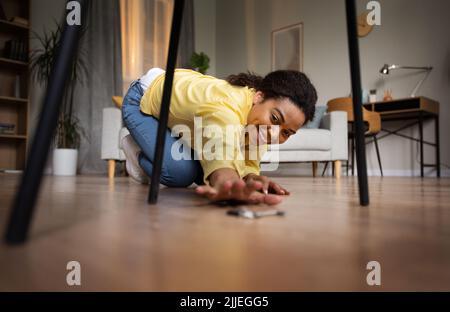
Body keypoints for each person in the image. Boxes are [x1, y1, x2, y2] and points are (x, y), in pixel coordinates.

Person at [121, 67, 317, 205]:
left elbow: (248, 161)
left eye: (286, 132)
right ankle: (133, 150)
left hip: (182, 117)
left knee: (202, 175)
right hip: (143, 99)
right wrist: (227, 183)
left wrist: (252, 179)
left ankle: (156, 146)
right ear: (259, 97)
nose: (275, 134)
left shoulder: (260, 122)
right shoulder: (224, 106)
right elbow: (220, 149)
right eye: (275, 118)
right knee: (181, 174)